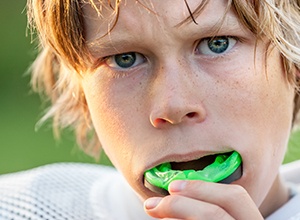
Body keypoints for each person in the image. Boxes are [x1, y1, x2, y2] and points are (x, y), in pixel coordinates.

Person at [1, 0, 300, 219]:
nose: (173, 105)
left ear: (294, 64)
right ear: (80, 91)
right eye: (126, 59)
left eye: (216, 44)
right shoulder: (22, 209)